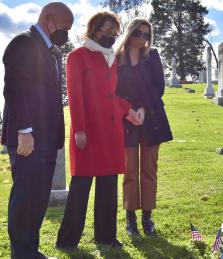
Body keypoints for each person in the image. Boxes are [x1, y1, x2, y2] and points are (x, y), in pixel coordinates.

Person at [55, 11, 136, 249]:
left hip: (111, 133)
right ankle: (67, 241)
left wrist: (127, 110)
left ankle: (106, 237)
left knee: (108, 187)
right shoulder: (77, 57)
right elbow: (75, 95)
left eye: (114, 32)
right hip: (88, 133)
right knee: (80, 188)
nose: (111, 36)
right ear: (94, 30)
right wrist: (79, 128)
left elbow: (112, 96)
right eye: (106, 31)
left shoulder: (111, 58)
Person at [1, 2, 73, 258]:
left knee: (38, 199)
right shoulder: (23, 43)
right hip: (27, 138)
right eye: (65, 28)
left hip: (46, 140)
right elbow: (14, 89)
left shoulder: (52, 52)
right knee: (25, 198)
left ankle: (30, 250)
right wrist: (25, 130)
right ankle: (21, 254)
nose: (66, 34)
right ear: (49, 20)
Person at [116, 17, 173, 236]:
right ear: (130, 33)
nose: (142, 38)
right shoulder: (118, 58)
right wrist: (128, 111)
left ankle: (147, 217)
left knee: (149, 169)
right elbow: (115, 90)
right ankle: (130, 217)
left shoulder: (152, 57)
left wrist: (141, 108)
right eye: (138, 33)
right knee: (130, 170)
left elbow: (158, 86)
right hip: (127, 119)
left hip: (151, 118)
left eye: (146, 34)